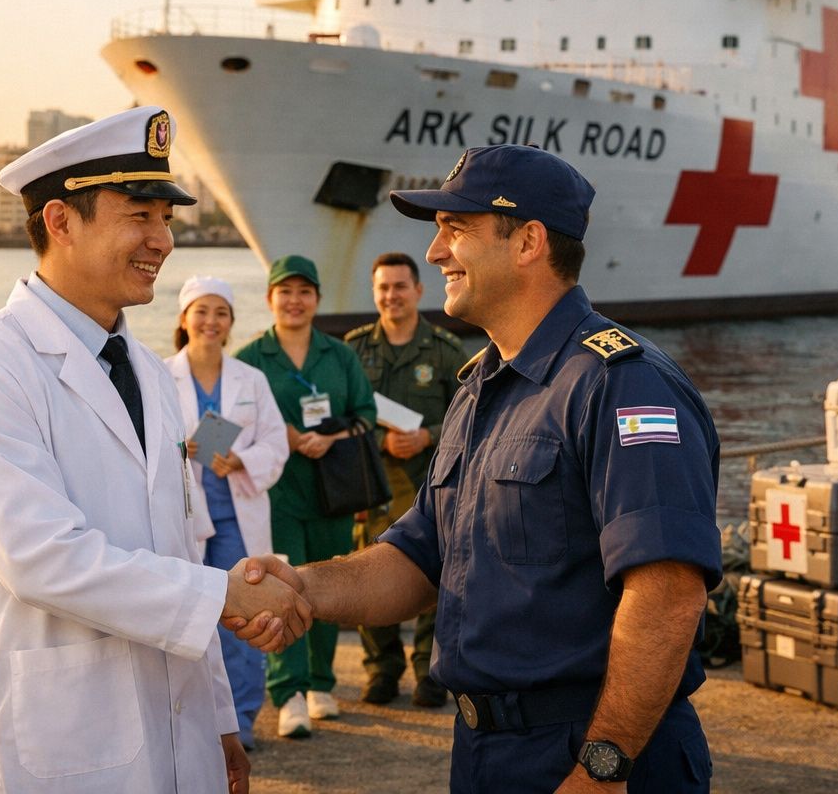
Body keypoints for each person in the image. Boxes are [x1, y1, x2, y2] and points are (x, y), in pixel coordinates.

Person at [244, 145, 721, 792]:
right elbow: (417, 558)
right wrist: (300, 589)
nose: (436, 253)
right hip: (484, 752)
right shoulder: (479, 387)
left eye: (456, 230)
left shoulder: (622, 385)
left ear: (527, 242)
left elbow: (668, 593)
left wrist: (603, 768)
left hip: (592, 753)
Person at [0, 105, 310, 793]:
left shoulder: (150, 372)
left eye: (166, 218)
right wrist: (224, 595)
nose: (162, 239)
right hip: (51, 741)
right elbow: (42, 559)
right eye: (140, 215)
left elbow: (179, 550)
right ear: (61, 222)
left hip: (176, 736)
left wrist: (220, 721)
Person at [233, 255, 377, 740]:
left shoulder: (340, 356)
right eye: (285, 292)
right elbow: (221, 422)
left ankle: (321, 683)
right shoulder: (251, 358)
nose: (294, 301)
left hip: (332, 491)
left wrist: (330, 440)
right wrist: (198, 455)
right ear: (270, 298)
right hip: (274, 494)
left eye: (304, 292)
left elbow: (366, 415)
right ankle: (288, 690)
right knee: (280, 588)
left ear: (317, 299)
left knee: (329, 583)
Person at [164, 274, 291, 751]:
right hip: (186, 518)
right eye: (201, 310)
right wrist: (183, 449)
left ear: (232, 322)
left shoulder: (250, 380)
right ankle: (192, 724)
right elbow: (144, 449)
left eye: (220, 312)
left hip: (238, 518)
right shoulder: (158, 375)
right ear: (184, 318)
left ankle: (240, 720)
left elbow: (276, 443)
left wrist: (241, 460)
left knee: (245, 618)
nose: (210, 321)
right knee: (187, 619)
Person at [343, 252, 467, 708]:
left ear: (418, 290)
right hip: (373, 487)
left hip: (430, 488)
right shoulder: (354, 351)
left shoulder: (446, 350)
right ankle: (382, 670)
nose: (391, 296)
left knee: (436, 580)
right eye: (383, 288)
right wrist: (380, 439)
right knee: (365, 578)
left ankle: (429, 672)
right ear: (375, 294)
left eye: (400, 286)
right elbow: (343, 415)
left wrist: (426, 436)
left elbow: (470, 418)